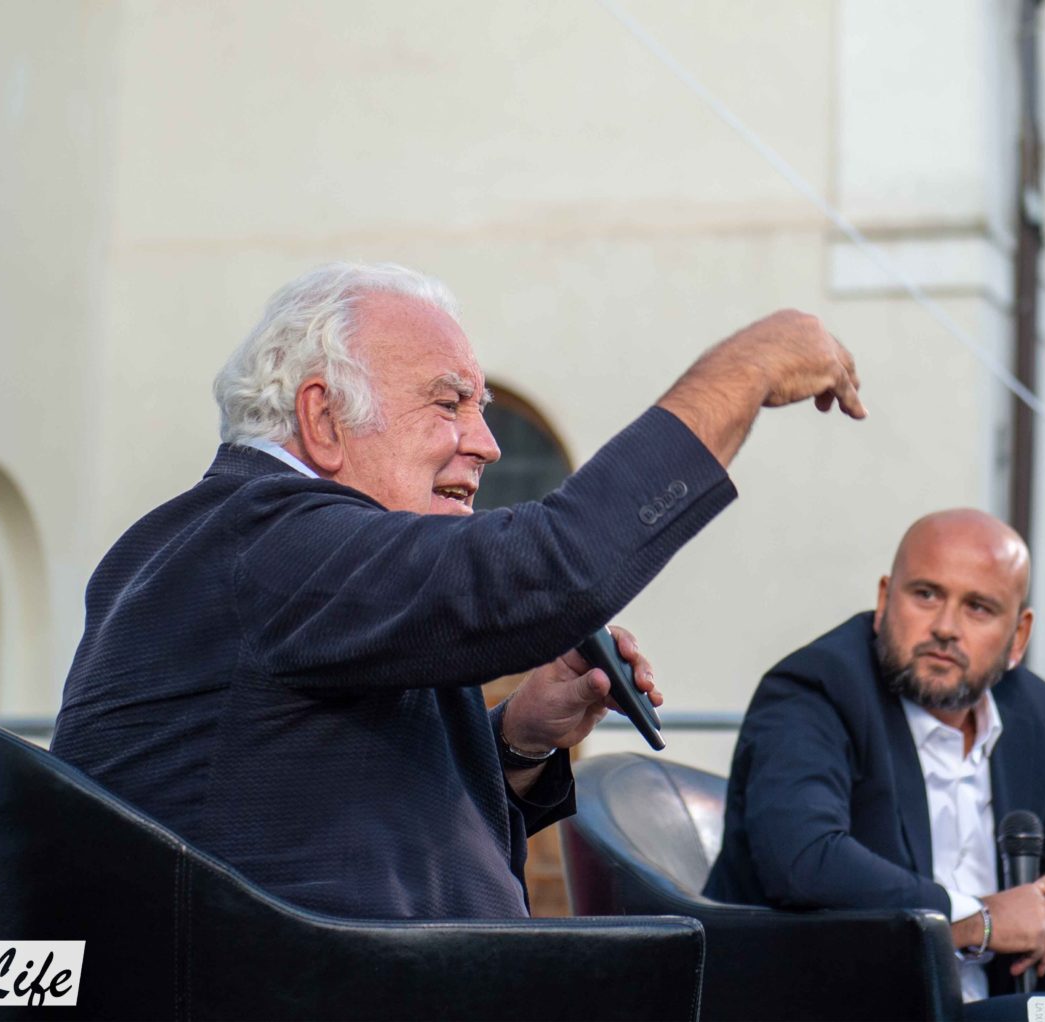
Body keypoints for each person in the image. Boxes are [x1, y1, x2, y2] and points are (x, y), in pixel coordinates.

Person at [52, 261, 865, 920]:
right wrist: (746, 371)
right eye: (449, 405)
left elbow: (345, 821)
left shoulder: (284, 557)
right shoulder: (268, 539)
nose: (484, 444)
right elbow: (553, 567)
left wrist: (517, 742)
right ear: (323, 420)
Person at [704, 509, 1045, 1020]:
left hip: (997, 1009)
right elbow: (805, 860)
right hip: (855, 1005)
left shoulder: (1031, 715)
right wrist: (980, 920)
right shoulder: (817, 690)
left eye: (978, 608)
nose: (946, 626)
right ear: (885, 600)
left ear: (1018, 637)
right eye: (926, 594)